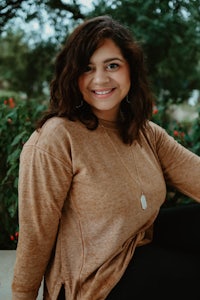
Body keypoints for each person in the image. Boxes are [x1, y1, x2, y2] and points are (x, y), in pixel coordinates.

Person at [12, 15, 200, 300]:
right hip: (95, 281)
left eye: (112, 65)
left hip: (137, 242)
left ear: (130, 71)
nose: (100, 79)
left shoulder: (143, 130)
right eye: (88, 68)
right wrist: (23, 295)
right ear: (72, 75)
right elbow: (36, 233)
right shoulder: (57, 138)